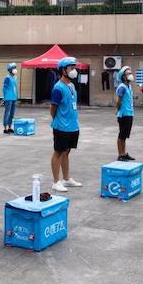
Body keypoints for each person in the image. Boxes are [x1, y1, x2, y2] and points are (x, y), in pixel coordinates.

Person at [49, 57, 83, 192]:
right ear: (63, 70)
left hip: (73, 126)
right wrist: (57, 120)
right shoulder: (58, 88)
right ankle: (56, 182)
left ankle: (67, 179)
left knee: (66, 152)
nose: (74, 70)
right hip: (61, 126)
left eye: (75, 68)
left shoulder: (72, 86)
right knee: (58, 152)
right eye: (71, 68)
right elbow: (53, 108)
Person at [114, 66, 135, 161]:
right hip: (124, 114)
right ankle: (120, 155)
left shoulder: (129, 86)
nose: (131, 75)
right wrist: (117, 109)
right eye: (128, 74)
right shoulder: (122, 87)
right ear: (123, 76)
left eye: (131, 73)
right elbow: (118, 100)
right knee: (121, 135)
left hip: (129, 113)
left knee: (125, 136)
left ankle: (124, 153)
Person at [2, 62, 18, 134]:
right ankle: (5, 128)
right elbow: (4, 88)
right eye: (13, 68)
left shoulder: (15, 77)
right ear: (10, 70)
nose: (15, 69)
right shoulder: (7, 78)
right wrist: (4, 97)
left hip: (14, 97)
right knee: (7, 113)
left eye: (15, 68)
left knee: (12, 113)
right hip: (8, 98)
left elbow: (15, 88)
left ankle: (10, 127)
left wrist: (16, 96)